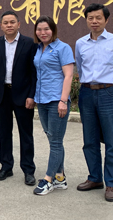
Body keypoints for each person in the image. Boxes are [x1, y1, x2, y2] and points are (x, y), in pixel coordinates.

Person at [75, 4, 113, 202]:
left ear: (106, 20)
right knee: (89, 140)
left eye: (98, 18)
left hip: (109, 93)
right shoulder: (80, 43)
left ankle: (112, 183)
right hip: (87, 93)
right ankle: (95, 178)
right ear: (86, 20)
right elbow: (80, 68)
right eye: (90, 18)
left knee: (111, 141)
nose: (94, 21)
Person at [0, 10, 38, 185]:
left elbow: (34, 73)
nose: (9, 25)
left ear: (19, 24)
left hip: (23, 95)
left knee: (26, 134)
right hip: (2, 95)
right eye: (6, 23)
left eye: (12, 22)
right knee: (4, 133)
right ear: (1, 25)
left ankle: (28, 170)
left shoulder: (29, 43)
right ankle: (6, 167)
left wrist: (32, 95)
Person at [31, 16, 74, 196]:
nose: (43, 33)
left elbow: (68, 75)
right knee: (53, 139)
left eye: (46, 29)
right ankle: (60, 177)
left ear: (53, 30)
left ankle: (48, 179)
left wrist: (63, 101)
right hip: (42, 100)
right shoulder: (38, 48)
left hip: (57, 100)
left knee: (55, 142)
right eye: (39, 29)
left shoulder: (63, 48)